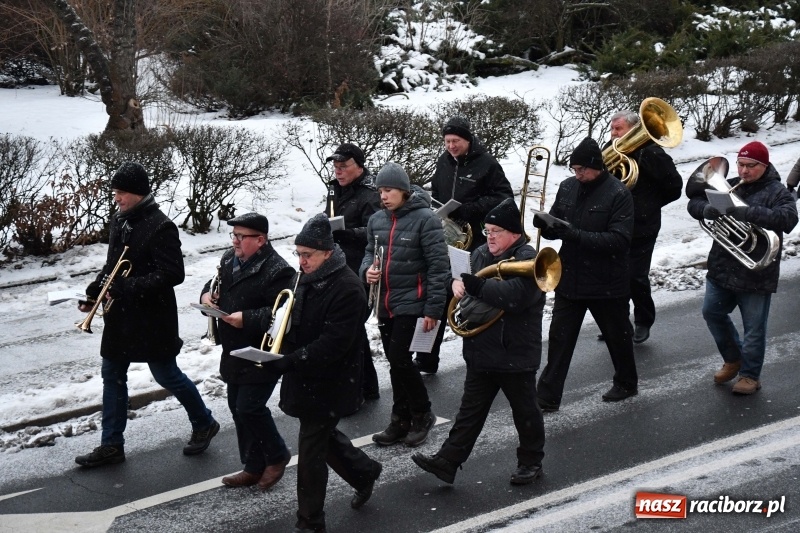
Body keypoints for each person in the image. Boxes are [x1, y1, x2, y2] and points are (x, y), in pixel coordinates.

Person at [75, 161, 219, 467]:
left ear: (138, 193)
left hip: (153, 317)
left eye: (121, 193)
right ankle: (111, 444)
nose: (116, 198)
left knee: (166, 374)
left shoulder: (160, 226)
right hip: (121, 317)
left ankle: (204, 422)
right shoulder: (120, 221)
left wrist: (127, 286)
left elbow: (173, 274)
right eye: (115, 192)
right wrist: (93, 293)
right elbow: (112, 265)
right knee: (112, 375)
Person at [411, 198, 546, 486]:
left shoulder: (530, 260)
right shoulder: (482, 253)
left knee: (525, 412)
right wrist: (455, 283)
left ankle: (531, 462)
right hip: (482, 349)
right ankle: (448, 462)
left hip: (515, 351)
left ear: (513, 233)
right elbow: (464, 279)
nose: (490, 237)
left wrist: (475, 285)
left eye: (496, 231)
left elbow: (514, 297)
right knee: (469, 412)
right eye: (487, 231)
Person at [263, 213, 383, 532]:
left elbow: (334, 344)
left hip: (332, 380)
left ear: (328, 253)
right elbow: (286, 317)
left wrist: (290, 360)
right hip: (306, 375)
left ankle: (310, 522)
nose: (301, 262)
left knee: (311, 450)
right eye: (298, 255)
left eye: (308, 255)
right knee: (322, 438)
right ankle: (363, 471)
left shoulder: (348, 288)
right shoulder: (303, 278)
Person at [533, 138, 637, 411]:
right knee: (560, 337)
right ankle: (547, 395)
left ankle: (626, 382)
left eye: (582, 169)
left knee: (617, 335)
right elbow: (557, 220)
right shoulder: (568, 187)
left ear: (597, 167)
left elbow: (619, 240)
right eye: (574, 169)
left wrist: (574, 235)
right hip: (571, 277)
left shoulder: (618, 193)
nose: (578, 174)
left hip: (607, 281)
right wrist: (546, 226)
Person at [687, 141, 798, 394]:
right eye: (741, 164)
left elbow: (789, 218)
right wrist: (706, 209)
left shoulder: (777, 191)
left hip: (756, 272)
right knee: (711, 313)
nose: (744, 171)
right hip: (722, 266)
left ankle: (750, 375)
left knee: (754, 329)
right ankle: (733, 358)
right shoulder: (731, 184)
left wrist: (746, 212)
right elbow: (692, 202)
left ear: (764, 165)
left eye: (751, 166)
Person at [199, 212, 295, 489]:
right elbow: (214, 283)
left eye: (241, 237)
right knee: (236, 407)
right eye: (234, 235)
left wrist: (247, 318)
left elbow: (283, 311)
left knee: (249, 406)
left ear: (261, 240)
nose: (235, 242)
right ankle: (253, 465)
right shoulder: (230, 259)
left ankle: (277, 455)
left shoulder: (278, 269)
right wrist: (207, 295)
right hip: (233, 348)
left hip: (262, 350)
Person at [417, 116, 514, 373]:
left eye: (456, 141)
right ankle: (426, 356)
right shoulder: (443, 161)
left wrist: (470, 209)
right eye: (447, 141)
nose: (451, 146)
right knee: (436, 295)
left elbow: (504, 198)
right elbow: (437, 193)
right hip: (447, 239)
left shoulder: (487, 163)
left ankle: (480, 355)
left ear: (468, 139)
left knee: (470, 296)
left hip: (476, 242)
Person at [361, 162, 449, 447]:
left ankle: (422, 413)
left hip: (414, 301)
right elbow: (368, 254)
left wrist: (433, 309)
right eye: (380, 191)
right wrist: (367, 271)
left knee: (399, 359)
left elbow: (439, 267)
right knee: (396, 363)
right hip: (386, 301)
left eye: (388, 190)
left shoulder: (426, 219)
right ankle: (400, 419)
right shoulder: (377, 221)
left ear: (403, 190)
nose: (383, 196)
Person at [602, 110, 683, 344]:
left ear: (635, 129)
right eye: (612, 129)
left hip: (642, 225)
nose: (614, 134)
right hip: (614, 225)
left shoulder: (653, 154)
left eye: (619, 129)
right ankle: (619, 323)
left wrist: (648, 205)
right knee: (613, 275)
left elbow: (674, 188)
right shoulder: (610, 150)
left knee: (635, 276)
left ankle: (643, 321)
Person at [324, 143, 382, 401]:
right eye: (336, 167)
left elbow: (378, 231)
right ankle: (363, 386)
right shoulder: (335, 190)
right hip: (338, 266)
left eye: (344, 166)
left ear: (358, 166)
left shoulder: (370, 194)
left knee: (351, 328)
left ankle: (361, 387)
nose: (338, 171)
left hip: (360, 269)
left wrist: (347, 233)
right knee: (348, 330)